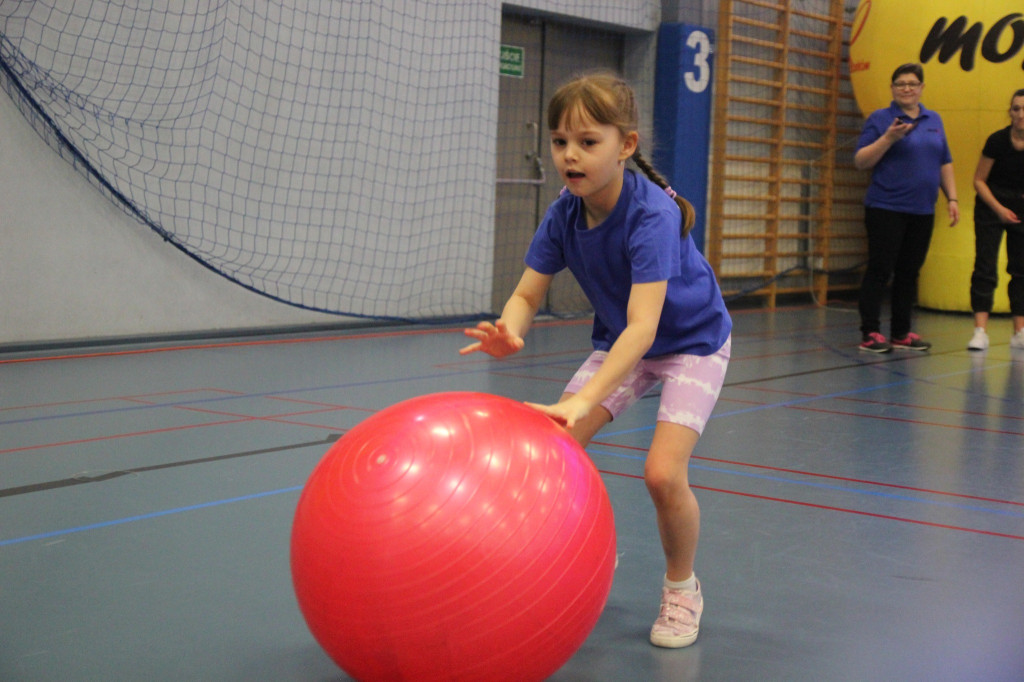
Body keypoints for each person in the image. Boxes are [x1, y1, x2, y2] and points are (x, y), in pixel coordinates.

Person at [460, 72, 731, 649]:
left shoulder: (652, 214)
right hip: (625, 343)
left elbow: (644, 327)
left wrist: (585, 399)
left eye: (588, 141)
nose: (570, 155)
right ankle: (576, 566)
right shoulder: (565, 211)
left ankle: (682, 589)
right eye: (561, 142)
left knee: (662, 473)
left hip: (692, 343)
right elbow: (528, 293)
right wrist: (510, 329)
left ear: (625, 145)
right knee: (553, 451)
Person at [854, 63, 959, 353]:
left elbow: (944, 161)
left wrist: (952, 198)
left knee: (909, 272)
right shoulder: (881, 119)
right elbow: (861, 161)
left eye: (912, 83)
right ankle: (871, 332)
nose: (907, 88)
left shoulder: (933, 119)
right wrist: (889, 138)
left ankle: (901, 332)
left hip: (922, 210)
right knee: (880, 269)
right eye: (900, 83)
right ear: (892, 88)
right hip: (886, 207)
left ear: (922, 88)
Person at [966, 88, 1024, 351]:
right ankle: (980, 331)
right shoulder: (997, 141)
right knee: (985, 266)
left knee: (1020, 270)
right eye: (1016, 109)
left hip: (1020, 208)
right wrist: (999, 209)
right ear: (1010, 112)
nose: (1021, 115)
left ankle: (1019, 332)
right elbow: (979, 180)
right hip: (992, 205)